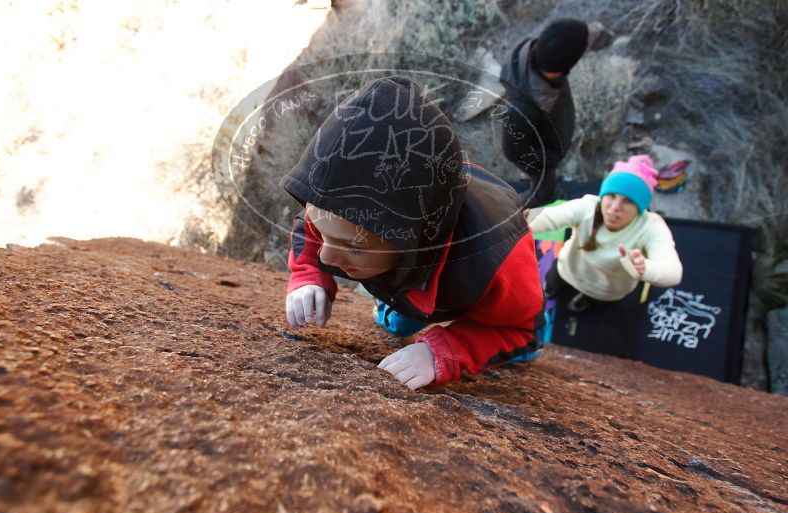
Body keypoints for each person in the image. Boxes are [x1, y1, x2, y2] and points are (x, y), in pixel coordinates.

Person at [282, 76, 543, 390]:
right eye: (325, 233)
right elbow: (310, 223)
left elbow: (518, 329)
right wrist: (308, 274)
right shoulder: (336, 211)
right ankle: (403, 300)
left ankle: (412, 300)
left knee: (523, 343)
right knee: (401, 320)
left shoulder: (497, 262)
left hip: (478, 245)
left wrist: (443, 350)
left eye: (352, 246)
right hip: (419, 252)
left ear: (413, 238)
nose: (326, 255)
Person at [528, 155, 683, 313]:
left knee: (593, 299)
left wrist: (646, 269)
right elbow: (550, 216)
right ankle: (551, 291)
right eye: (611, 196)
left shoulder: (651, 227)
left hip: (606, 290)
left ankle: (584, 299)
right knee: (552, 283)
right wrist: (522, 222)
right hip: (569, 268)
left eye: (628, 201)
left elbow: (672, 272)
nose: (615, 207)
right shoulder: (588, 207)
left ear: (640, 207)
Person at [499, 18, 589, 208]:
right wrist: (548, 160)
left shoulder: (537, 55)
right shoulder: (522, 110)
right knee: (542, 195)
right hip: (543, 155)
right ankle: (504, 213)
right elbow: (513, 151)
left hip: (549, 139)